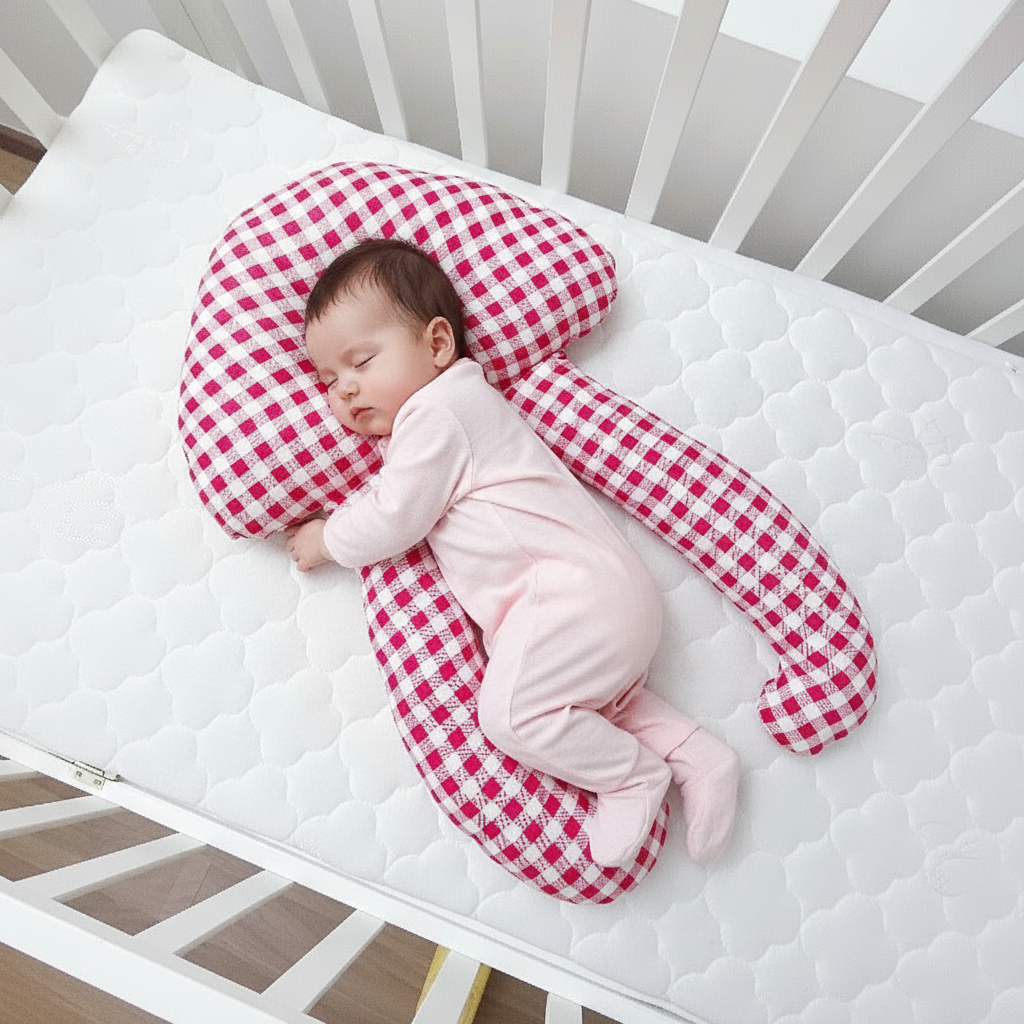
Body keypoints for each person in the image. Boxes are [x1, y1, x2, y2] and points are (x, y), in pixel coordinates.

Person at [285, 237, 740, 868]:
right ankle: (696, 753)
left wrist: (326, 538)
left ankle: (630, 777)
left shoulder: (439, 411)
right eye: (331, 380)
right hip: (595, 600)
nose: (345, 390)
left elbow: (396, 516)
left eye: (362, 361)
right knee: (594, 704)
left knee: (512, 715)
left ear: (437, 345)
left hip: (571, 596)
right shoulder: (459, 409)